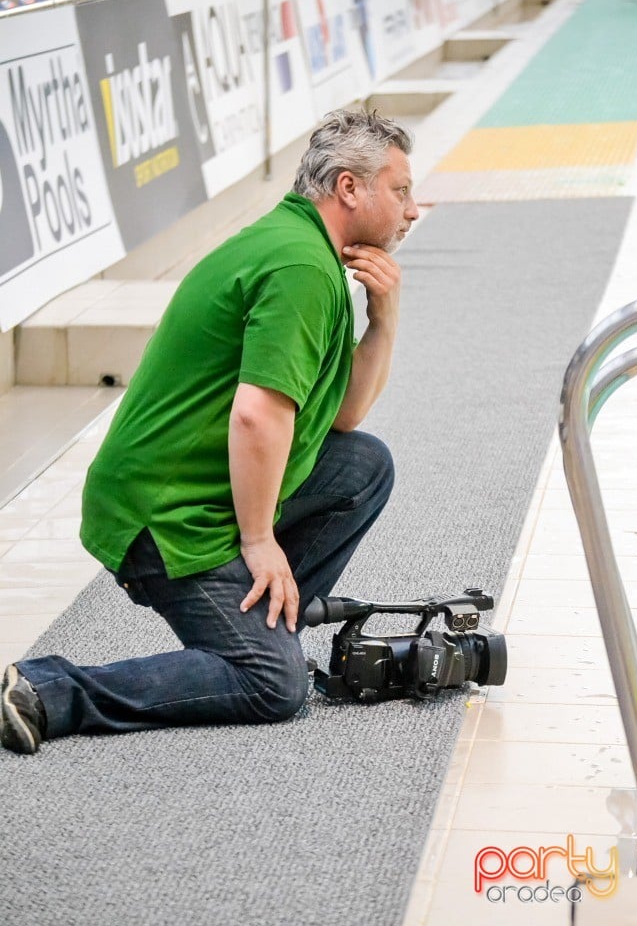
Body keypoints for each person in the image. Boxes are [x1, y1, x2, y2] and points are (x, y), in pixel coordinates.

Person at [0, 109, 419, 755]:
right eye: (400, 190)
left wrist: (383, 321)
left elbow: (345, 417)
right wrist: (257, 541)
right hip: (162, 514)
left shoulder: (304, 248)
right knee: (273, 687)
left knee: (363, 465)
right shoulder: (300, 268)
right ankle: (45, 689)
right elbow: (257, 415)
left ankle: (255, 629)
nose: (412, 210)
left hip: (197, 488)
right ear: (348, 188)